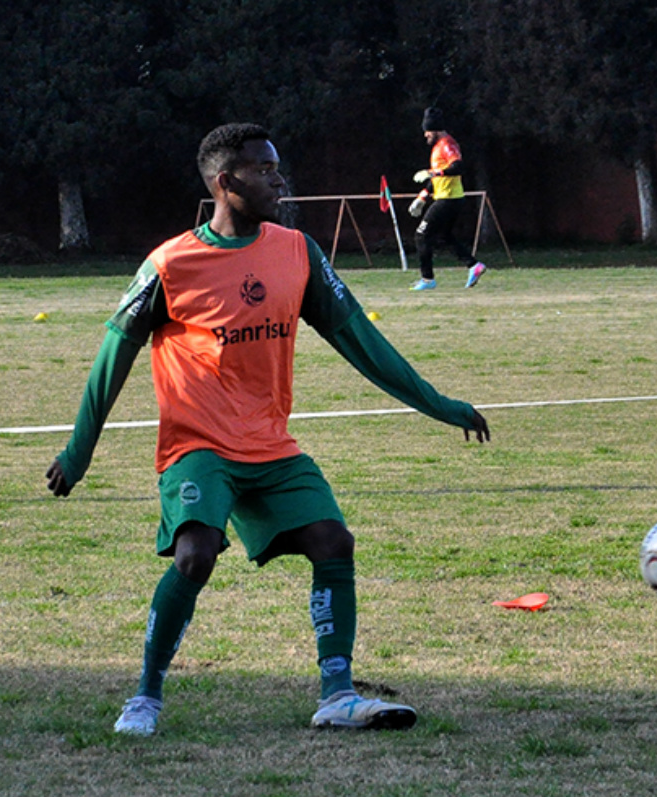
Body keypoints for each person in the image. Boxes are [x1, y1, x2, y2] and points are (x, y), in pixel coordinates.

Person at [46, 123, 490, 737]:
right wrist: (78, 452)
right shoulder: (170, 264)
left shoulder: (298, 252)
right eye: (263, 169)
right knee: (195, 555)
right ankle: (145, 698)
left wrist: (438, 404)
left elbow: (360, 339)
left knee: (334, 541)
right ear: (226, 182)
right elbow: (114, 353)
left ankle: (337, 694)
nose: (278, 178)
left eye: (277, 166)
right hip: (198, 445)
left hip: (270, 445)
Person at [408, 107, 486, 291]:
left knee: (421, 235)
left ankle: (427, 280)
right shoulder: (437, 147)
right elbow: (436, 180)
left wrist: (433, 172)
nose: (425, 135)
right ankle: (474, 265)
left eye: (427, 131)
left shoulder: (446, 144)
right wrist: (422, 197)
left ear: (435, 129)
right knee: (444, 236)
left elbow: (458, 167)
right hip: (449, 198)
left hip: (448, 200)